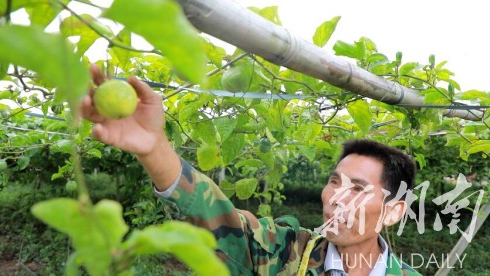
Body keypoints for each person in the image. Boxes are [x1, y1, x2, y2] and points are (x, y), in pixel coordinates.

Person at [81, 65, 422, 276]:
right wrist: (155, 146)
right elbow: (216, 220)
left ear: (393, 212)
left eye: (358, 189)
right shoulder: (286, 251)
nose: (335, 199)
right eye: (335, 182)